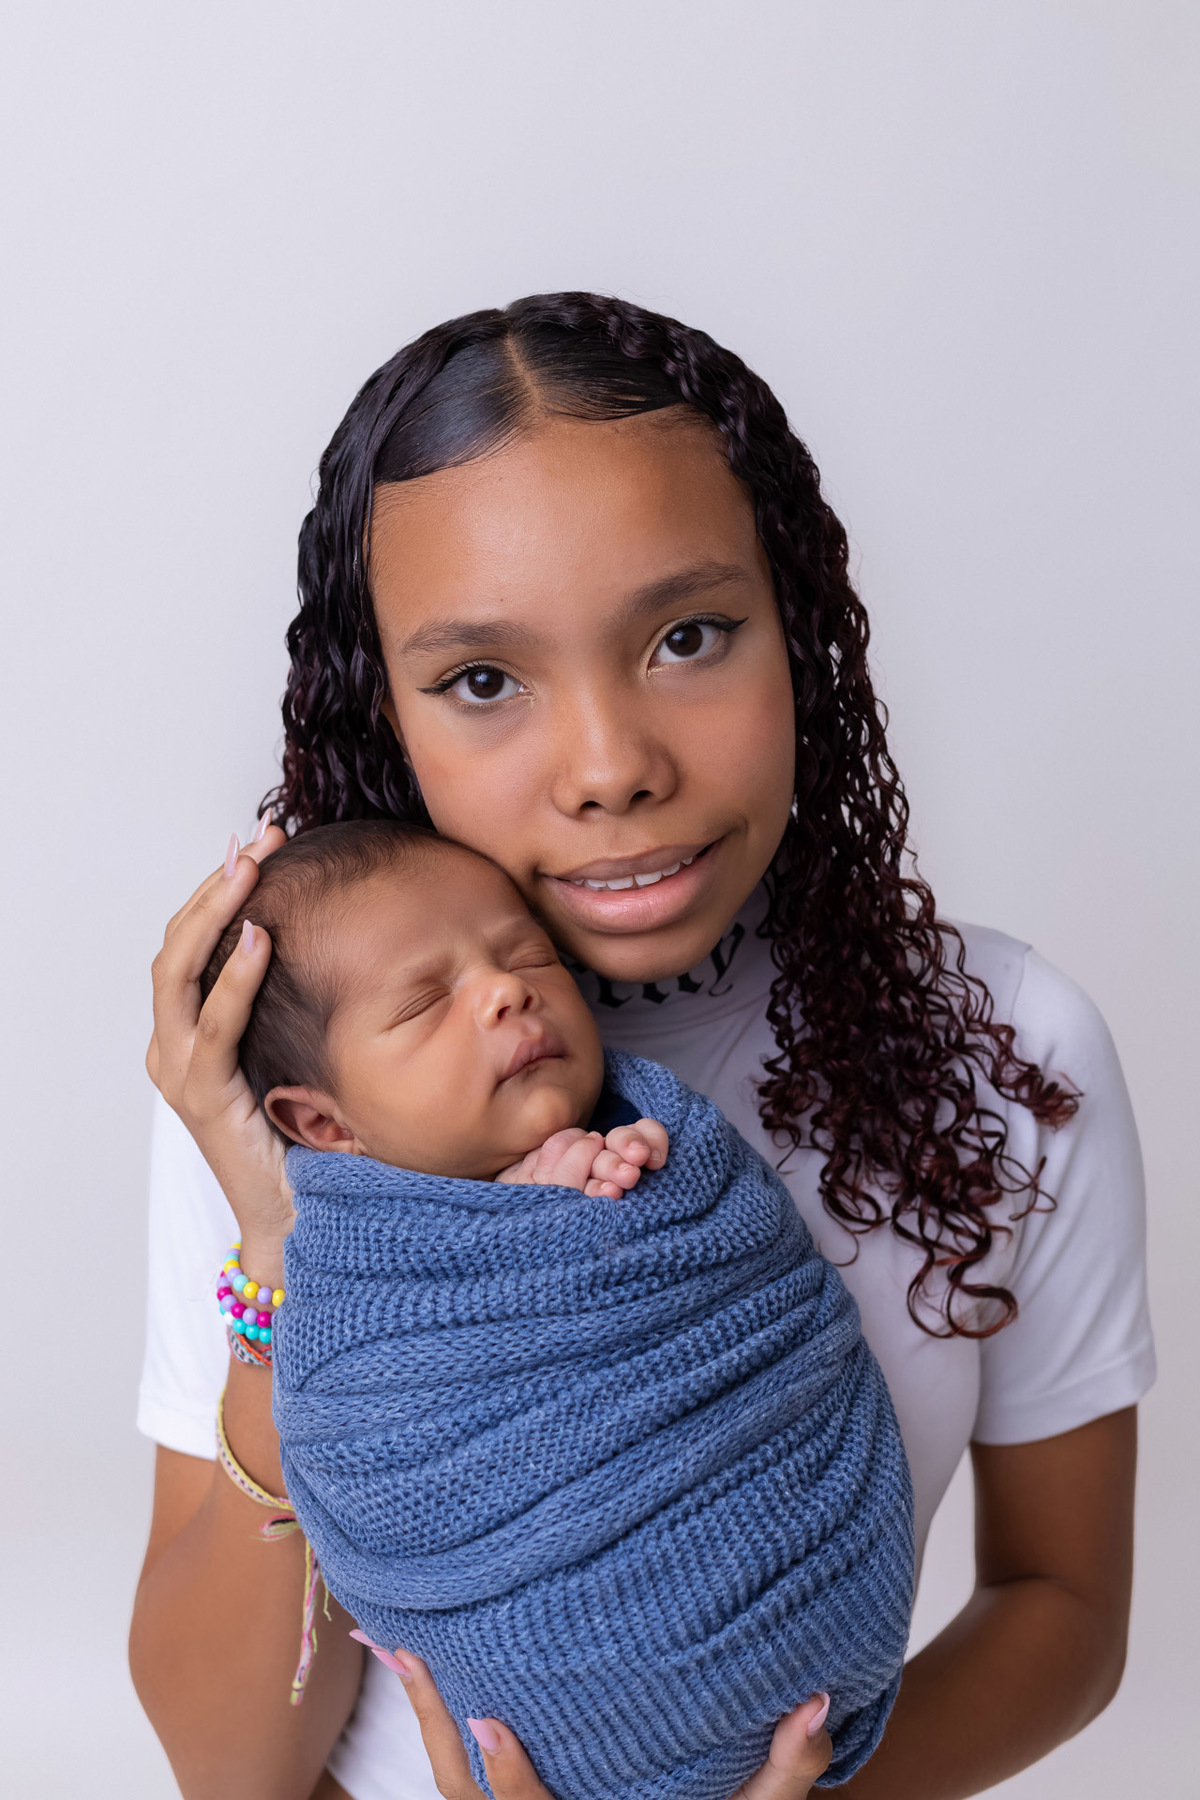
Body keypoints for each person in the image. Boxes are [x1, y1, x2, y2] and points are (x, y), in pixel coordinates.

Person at [131, 293, 1154, 1800]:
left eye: (689, 636)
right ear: (387, 710)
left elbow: (1062, 1610)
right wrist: (282, 1239)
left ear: (799, 630)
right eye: (485, 680)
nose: (612, 767)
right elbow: (229, 1768)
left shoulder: (1005, 1060)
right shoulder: (307, 1092)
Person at [198, 817, 914, 1797]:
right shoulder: (341, 1282)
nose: (505, 992)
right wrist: (271, 1236)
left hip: (824, 1636)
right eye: (423, 1003)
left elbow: (753, 1300)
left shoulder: (650, 1145)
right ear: (323, 1122)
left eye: (525, 953)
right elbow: (356, 1451)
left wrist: (593, 1218)